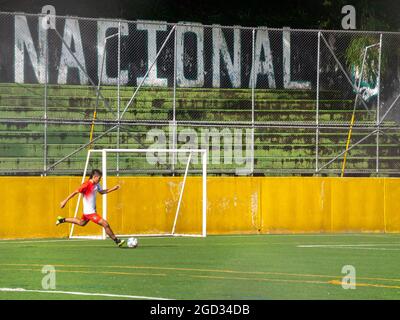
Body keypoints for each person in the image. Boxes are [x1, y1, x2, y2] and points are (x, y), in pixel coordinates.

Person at [56, 169, 125, 247]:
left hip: (89, 212)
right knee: (105, 224)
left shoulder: (97, 184)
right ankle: (117, 241)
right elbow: (75, 192)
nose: (100, 179)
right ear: (94, 177)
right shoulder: (86, 185)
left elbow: (101, 192)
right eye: (99, 178)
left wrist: (113, 188)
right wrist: (64, 201)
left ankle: (61, 219)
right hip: (90, 213)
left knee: (81, 223)